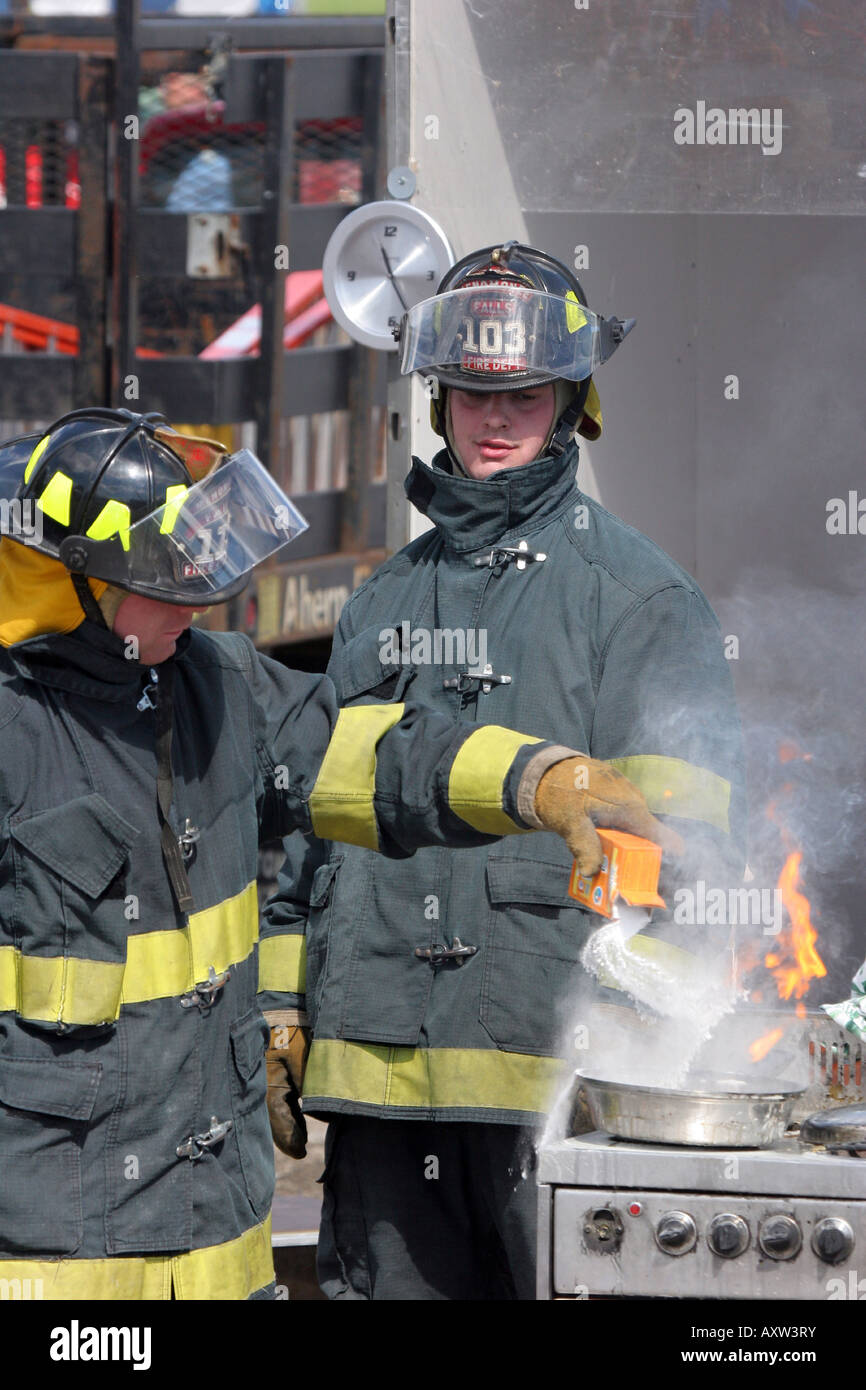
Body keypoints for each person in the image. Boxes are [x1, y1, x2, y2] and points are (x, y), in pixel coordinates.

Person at [0, 406, 673, 1300]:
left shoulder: (217, 684)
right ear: (74, 584)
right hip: (58, 1269)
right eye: (168, 579)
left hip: (219, 1248)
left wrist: (537, 781)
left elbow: (373, 754)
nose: (201, 600)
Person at [264, 241, 747, 1300]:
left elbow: (690, 860)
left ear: (572, 402)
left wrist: (649, 1064)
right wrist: (278, 1006)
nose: (492, 419)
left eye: (521, 395)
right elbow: (306, 821)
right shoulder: (383, 598)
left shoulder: (639, 600)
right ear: (438, 403)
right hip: (378, 1085)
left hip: (557, 1093)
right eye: (470, 394)